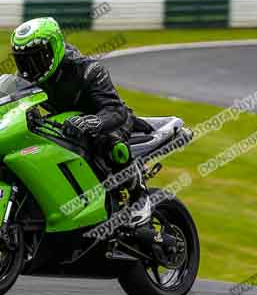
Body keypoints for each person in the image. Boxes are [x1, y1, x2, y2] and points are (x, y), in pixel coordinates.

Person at [10, 17, 178, 259]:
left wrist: (94, 122)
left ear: (56, 48)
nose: (31, 65)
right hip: (68, 123)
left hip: (109, 120)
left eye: (38, 57)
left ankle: (138, 198)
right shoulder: (25, 78)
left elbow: (117, 110)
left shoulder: (87, 70)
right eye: (24, 59)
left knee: (111, 146)